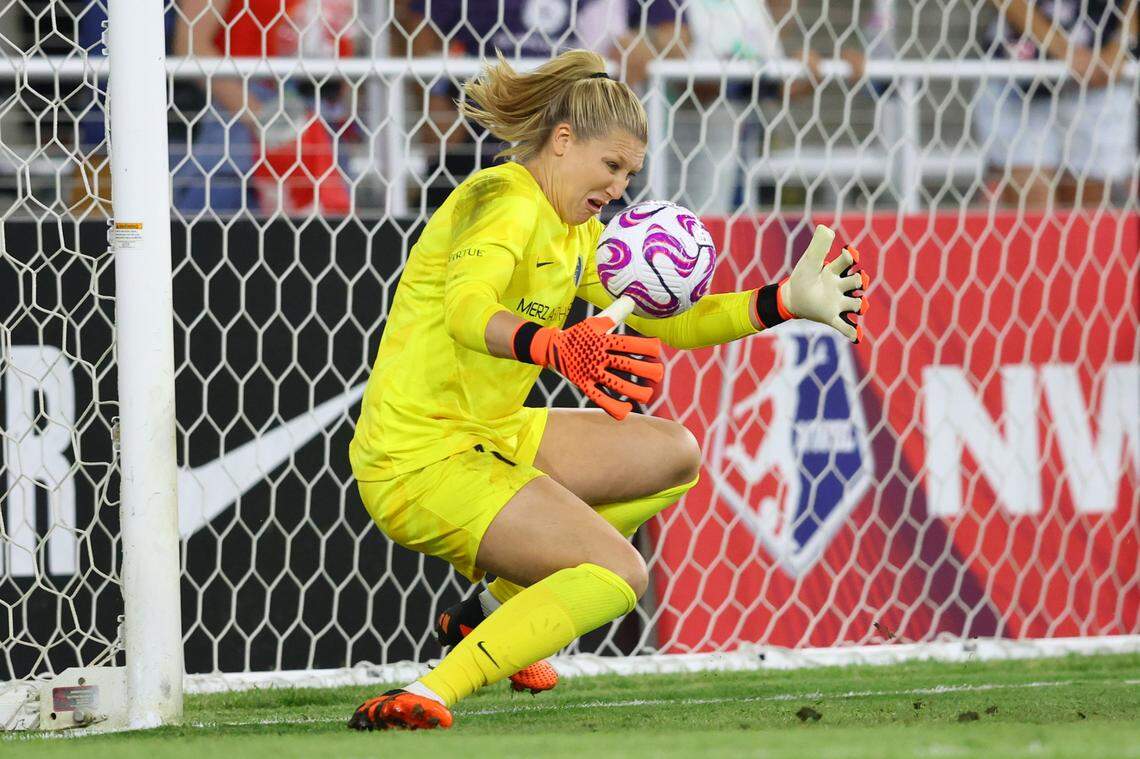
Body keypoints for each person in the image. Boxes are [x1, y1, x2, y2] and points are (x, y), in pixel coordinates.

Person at [346, 49, 870, 731]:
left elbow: (673, 322)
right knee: (619, 572)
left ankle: (490, 612)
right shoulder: (500, 200)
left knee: (673, 452)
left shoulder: (576, 231)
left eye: (629, 173)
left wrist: (779, 301)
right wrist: (557, 346)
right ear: (564, 141)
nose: (620, 187)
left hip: (491, 434)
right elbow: (466, 312)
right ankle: (431, 689)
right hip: (417, 458)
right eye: (612, 166)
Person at [171, 0, 354, 216]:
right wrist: (260, 115)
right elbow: (191, 43)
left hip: (322, 123)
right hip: (243, 123)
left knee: (324, 240)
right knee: (225, 237)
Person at [973, 0, 1138, 208]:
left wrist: (1120, 46)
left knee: (1087, 211)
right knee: (1032, 202)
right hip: (1021, 76)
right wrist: (1063, 49)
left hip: (1099, 75)